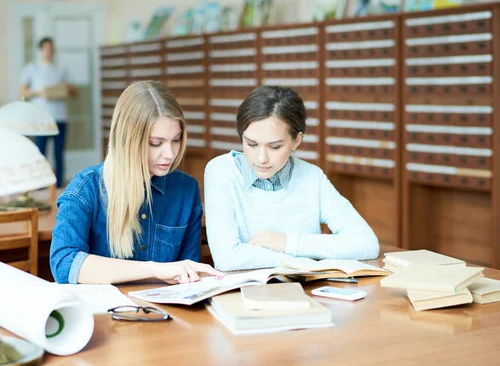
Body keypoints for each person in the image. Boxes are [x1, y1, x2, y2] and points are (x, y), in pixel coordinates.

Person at [50, 80, 221, 284]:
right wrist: (153, 270)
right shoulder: (85, 189)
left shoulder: (186, 189)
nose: (170, 154)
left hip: (166, 312)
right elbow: (63, 264)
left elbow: (187, 270)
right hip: (106, 313)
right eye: (155, 143)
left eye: (176, 140)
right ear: (128, 140)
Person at [204, 86, 379, 271]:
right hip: (244, 295)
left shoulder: (312, 177)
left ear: (297, 140)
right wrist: (304, 261)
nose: (261, 158)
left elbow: (366, 243)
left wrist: (287, 242)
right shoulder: (221, 171)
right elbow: (227, 258)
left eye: (275, 146)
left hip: (308, 292)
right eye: (251, 144)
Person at [19, 37, 74, 188]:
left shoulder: (61, 69)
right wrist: (38, 92)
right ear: (40, 50)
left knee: (59, 153)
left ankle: (59, 185)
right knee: (41, 153)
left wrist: (64, 91)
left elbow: (73, 91)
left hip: (60, 117)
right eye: (46, 48)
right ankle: (41, 183)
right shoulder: (32, 69)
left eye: (52, 48)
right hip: (41, 119)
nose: (49, 51)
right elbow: (22, 92)